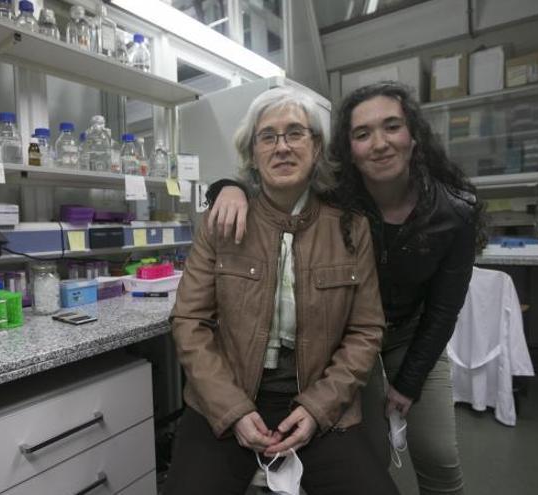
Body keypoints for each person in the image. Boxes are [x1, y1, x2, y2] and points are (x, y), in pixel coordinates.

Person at [205, 81, 485, 495]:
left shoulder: (455, 212)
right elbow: (276, 179)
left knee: (438, 453)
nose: (379, 143)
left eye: (392, 127)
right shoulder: (338, 198)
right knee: (366, 451)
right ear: (346, 148)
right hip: (350, 339)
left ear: (414, 136)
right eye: (362, 133)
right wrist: (228, 188)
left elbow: (443, 311)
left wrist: (408, 383)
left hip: (414, 335)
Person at [164, 86, 399, 495]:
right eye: (268, 137)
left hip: (320, 402)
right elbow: (189, 322)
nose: (282, 147)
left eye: (295, 133)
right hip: (225, 400)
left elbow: (366, 331)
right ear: (253, 153)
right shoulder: (220, 223)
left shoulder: (350, 228)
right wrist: (233, 410)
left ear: (317, 146)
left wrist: (317, 407)